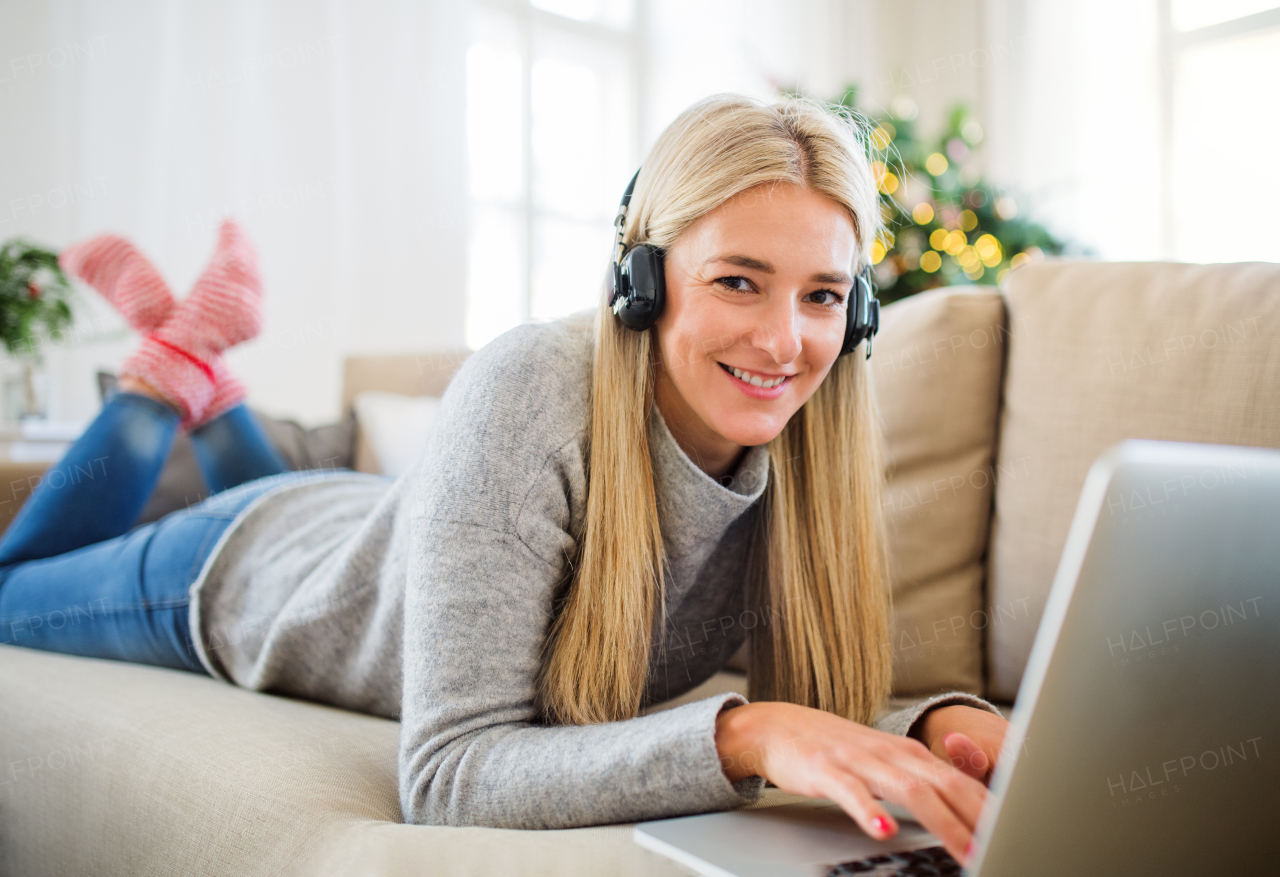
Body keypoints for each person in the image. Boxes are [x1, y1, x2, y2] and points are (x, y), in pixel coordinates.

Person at [0, 93, 1009, 864]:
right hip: (235, 572)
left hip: (361, 533)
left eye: (823, 295)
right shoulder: (530, 383)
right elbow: (449, 775)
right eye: (736, 279)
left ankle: (215, 392)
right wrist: (743, 732)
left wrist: (928, 726)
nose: (785, 340)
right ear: (643, 283)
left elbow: (817, 710)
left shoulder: (802, 441)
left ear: (860, 314)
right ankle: (169, 370)